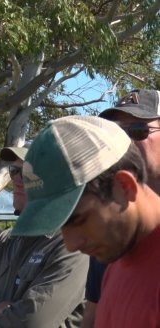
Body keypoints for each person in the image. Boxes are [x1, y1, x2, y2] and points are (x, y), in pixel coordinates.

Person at [11, 115, 160, 327]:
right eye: (61, 225)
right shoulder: (116, 262)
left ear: (124, 187)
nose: (71, 245)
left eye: (78, 219)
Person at [0, 147, 88, 327]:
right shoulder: (5, 241)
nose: (16, 179)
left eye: (28, 173)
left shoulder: (72, 245)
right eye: (14, 171)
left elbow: (31, 322)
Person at [79, 89, 160, 328]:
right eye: (118, 133)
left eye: (137, 131)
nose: (126, 143)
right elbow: (95, 309)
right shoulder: (113, 222)